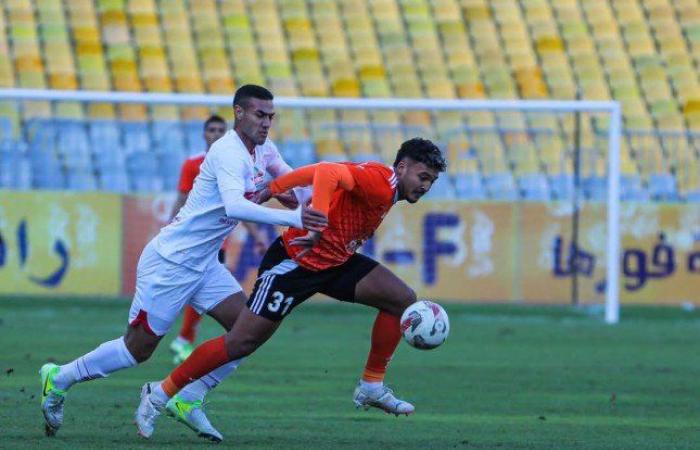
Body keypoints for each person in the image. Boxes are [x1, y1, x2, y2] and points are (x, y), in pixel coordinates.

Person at [39, 85, 327, 442]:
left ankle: (189, 397)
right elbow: (235, 206)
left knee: (249, 330)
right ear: (238, 113)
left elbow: (291, 177)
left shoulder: (264, 149)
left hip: (204, 265)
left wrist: (317, 205)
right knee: (137, 350)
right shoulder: (227, 152)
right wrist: (298, 219)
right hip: (170, 263)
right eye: (259, 115)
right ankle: (59, 377)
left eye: (271, 116)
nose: (267, 123)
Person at [134, 138, 447, 439]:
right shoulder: (381, 182)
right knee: (241, 340)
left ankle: (372, 386)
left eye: (430, 181)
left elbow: (321, 170)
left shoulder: (381, 182)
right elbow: (327, 171)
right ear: (402, 166)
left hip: (336, 262)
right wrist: (315, 221)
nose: (424, 186)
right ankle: (159, 394)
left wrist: (273, 187)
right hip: (295, 263)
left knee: (401, 299)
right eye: (422, 176)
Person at [168, 114, 268, 364]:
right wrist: (170, 228)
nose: (214, 134)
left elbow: (237, 204)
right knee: (192, 289)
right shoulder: (193, 164)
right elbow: (181, 199)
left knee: (201, 289)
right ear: (204, 134)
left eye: (219, 130)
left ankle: (184, 339)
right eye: (211, 130)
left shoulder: (234, 164)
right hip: (190, 242)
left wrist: (255, 235)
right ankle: (182, 339)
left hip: (217, 242)